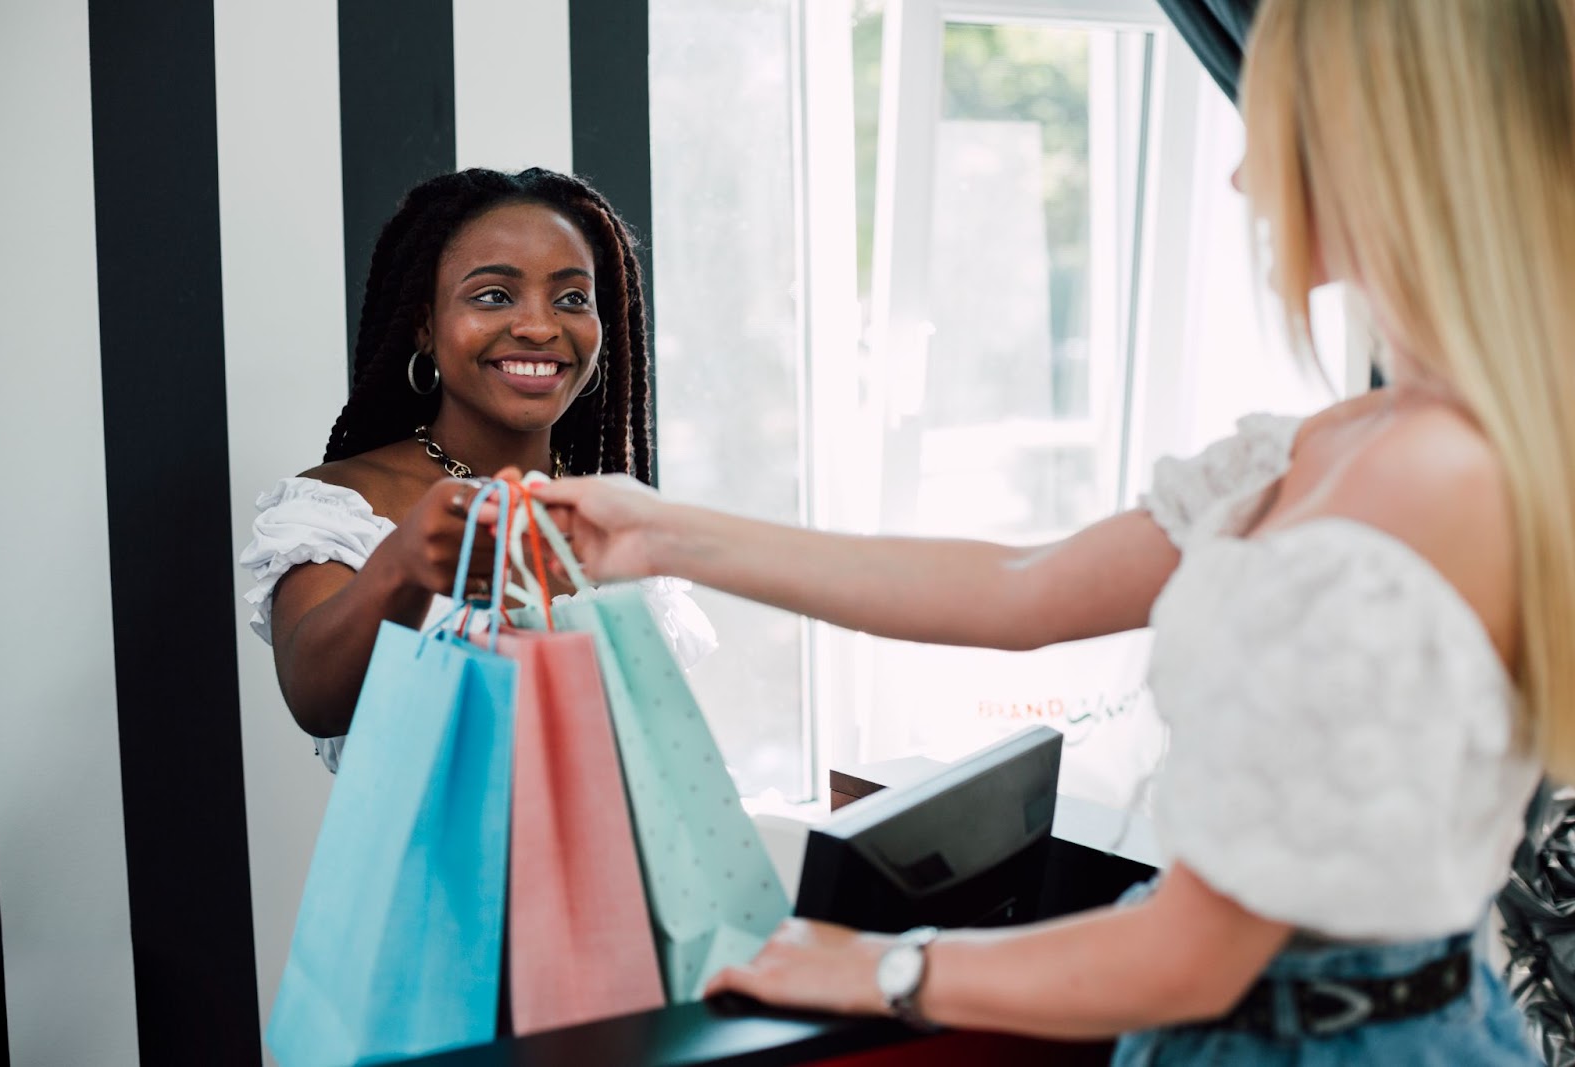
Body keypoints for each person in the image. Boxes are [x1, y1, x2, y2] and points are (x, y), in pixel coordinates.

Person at [532, 0, 1573, 1060]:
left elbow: (1194, 954)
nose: (1242, 177)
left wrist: (883, 965)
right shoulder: (1345, 439)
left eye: (1277, 126)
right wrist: (662, 533)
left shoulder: (1432, 478)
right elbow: (1018, 586)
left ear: (1389, 144)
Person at [239, 167, 712, 772]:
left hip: (635, 865)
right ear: (425, 326)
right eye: (493, 295)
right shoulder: (341, 506)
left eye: (572, 298)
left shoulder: (615, 507)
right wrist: (408, 564)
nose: (541, 327)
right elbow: (317, 699)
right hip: (439, 869)